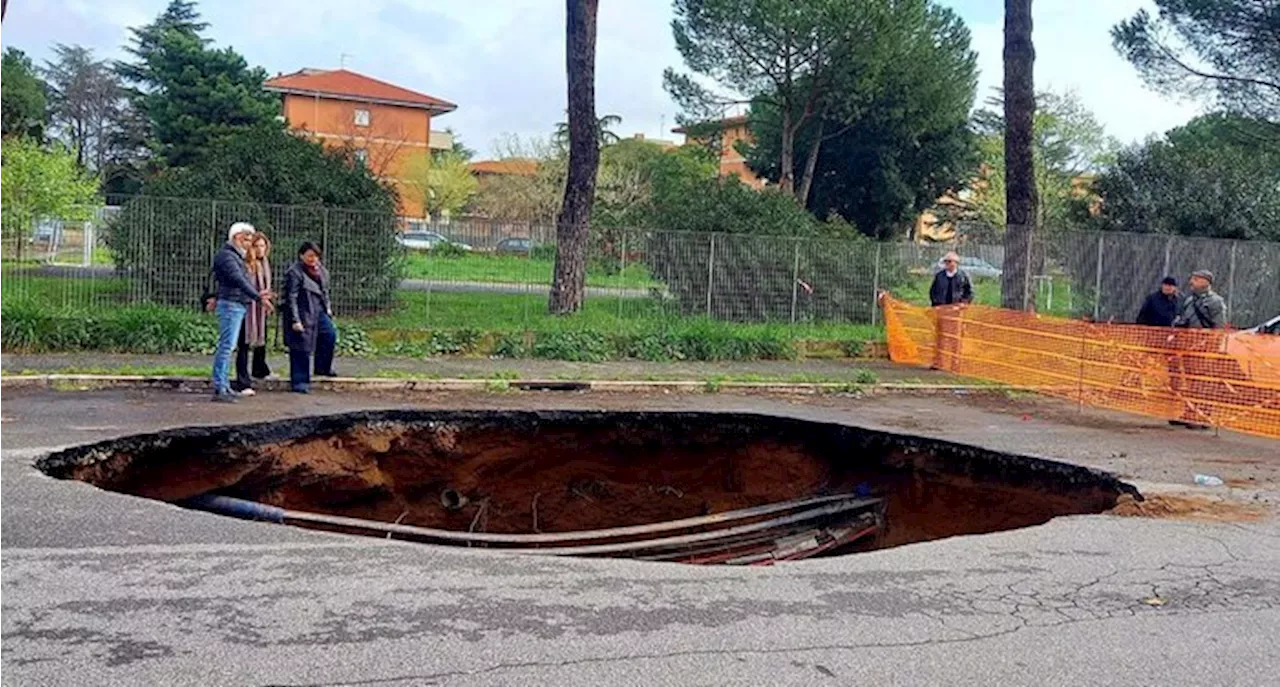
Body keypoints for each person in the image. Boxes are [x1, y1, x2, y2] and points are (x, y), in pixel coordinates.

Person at [211, 223, 271, 403]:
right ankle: (220, 387)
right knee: (226, 347)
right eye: (247, 239)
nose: (249, 243)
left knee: (229, 347)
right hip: (231, 304)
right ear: (237, 237)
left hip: (236, 304)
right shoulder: (228, 257)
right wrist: (258, 297)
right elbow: (239, 280)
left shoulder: (234, 256)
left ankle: (224, 385)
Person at [1168, 270, 1228, 429]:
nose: (1191, 282)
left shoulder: (1215, 302)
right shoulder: (1189, 301)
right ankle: (1189, 411)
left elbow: (1219, 328)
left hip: (1205, 349)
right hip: (1188, 347)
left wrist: (1211, 347)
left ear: (1205, 281)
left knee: (1204, 383)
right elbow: (1184, 319)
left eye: (1195, 279)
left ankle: (1203, 415)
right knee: (1189, 382)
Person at [282, 241, 337, 394]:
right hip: (303, 311)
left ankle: (322, 367)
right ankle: (300, 381)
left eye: (316, 256)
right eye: (310, 256)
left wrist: (328, 308)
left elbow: (325, 291)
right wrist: (295, 319)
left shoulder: (322, 271)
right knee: (301, 344)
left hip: (319, 310)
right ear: (302, 256)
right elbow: (291, 297)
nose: (313, 259)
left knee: (329, 335)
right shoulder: (294, 272)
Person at [231, 232, 274, 396]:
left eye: (263, 246)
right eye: (257, 246)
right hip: (247, 308)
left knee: (261, 338)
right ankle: (242, 381)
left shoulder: (265, 264)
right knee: (244, 344)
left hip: (261, 308)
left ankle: (259, 369)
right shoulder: (246, 265)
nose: (260, 249)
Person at [929, 252, 973, 371]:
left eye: (949, 261)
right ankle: (939, 362)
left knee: (955, 338)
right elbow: (933, 291)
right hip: (942, 311)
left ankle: (955, 363)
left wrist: (963, 304)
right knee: (940, 336)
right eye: (946, 262)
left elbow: (969, 292)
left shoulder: (963, 276)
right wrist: (936, 305)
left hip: (956, 312)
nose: (947, 264)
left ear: (956, 263)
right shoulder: (939, 276)